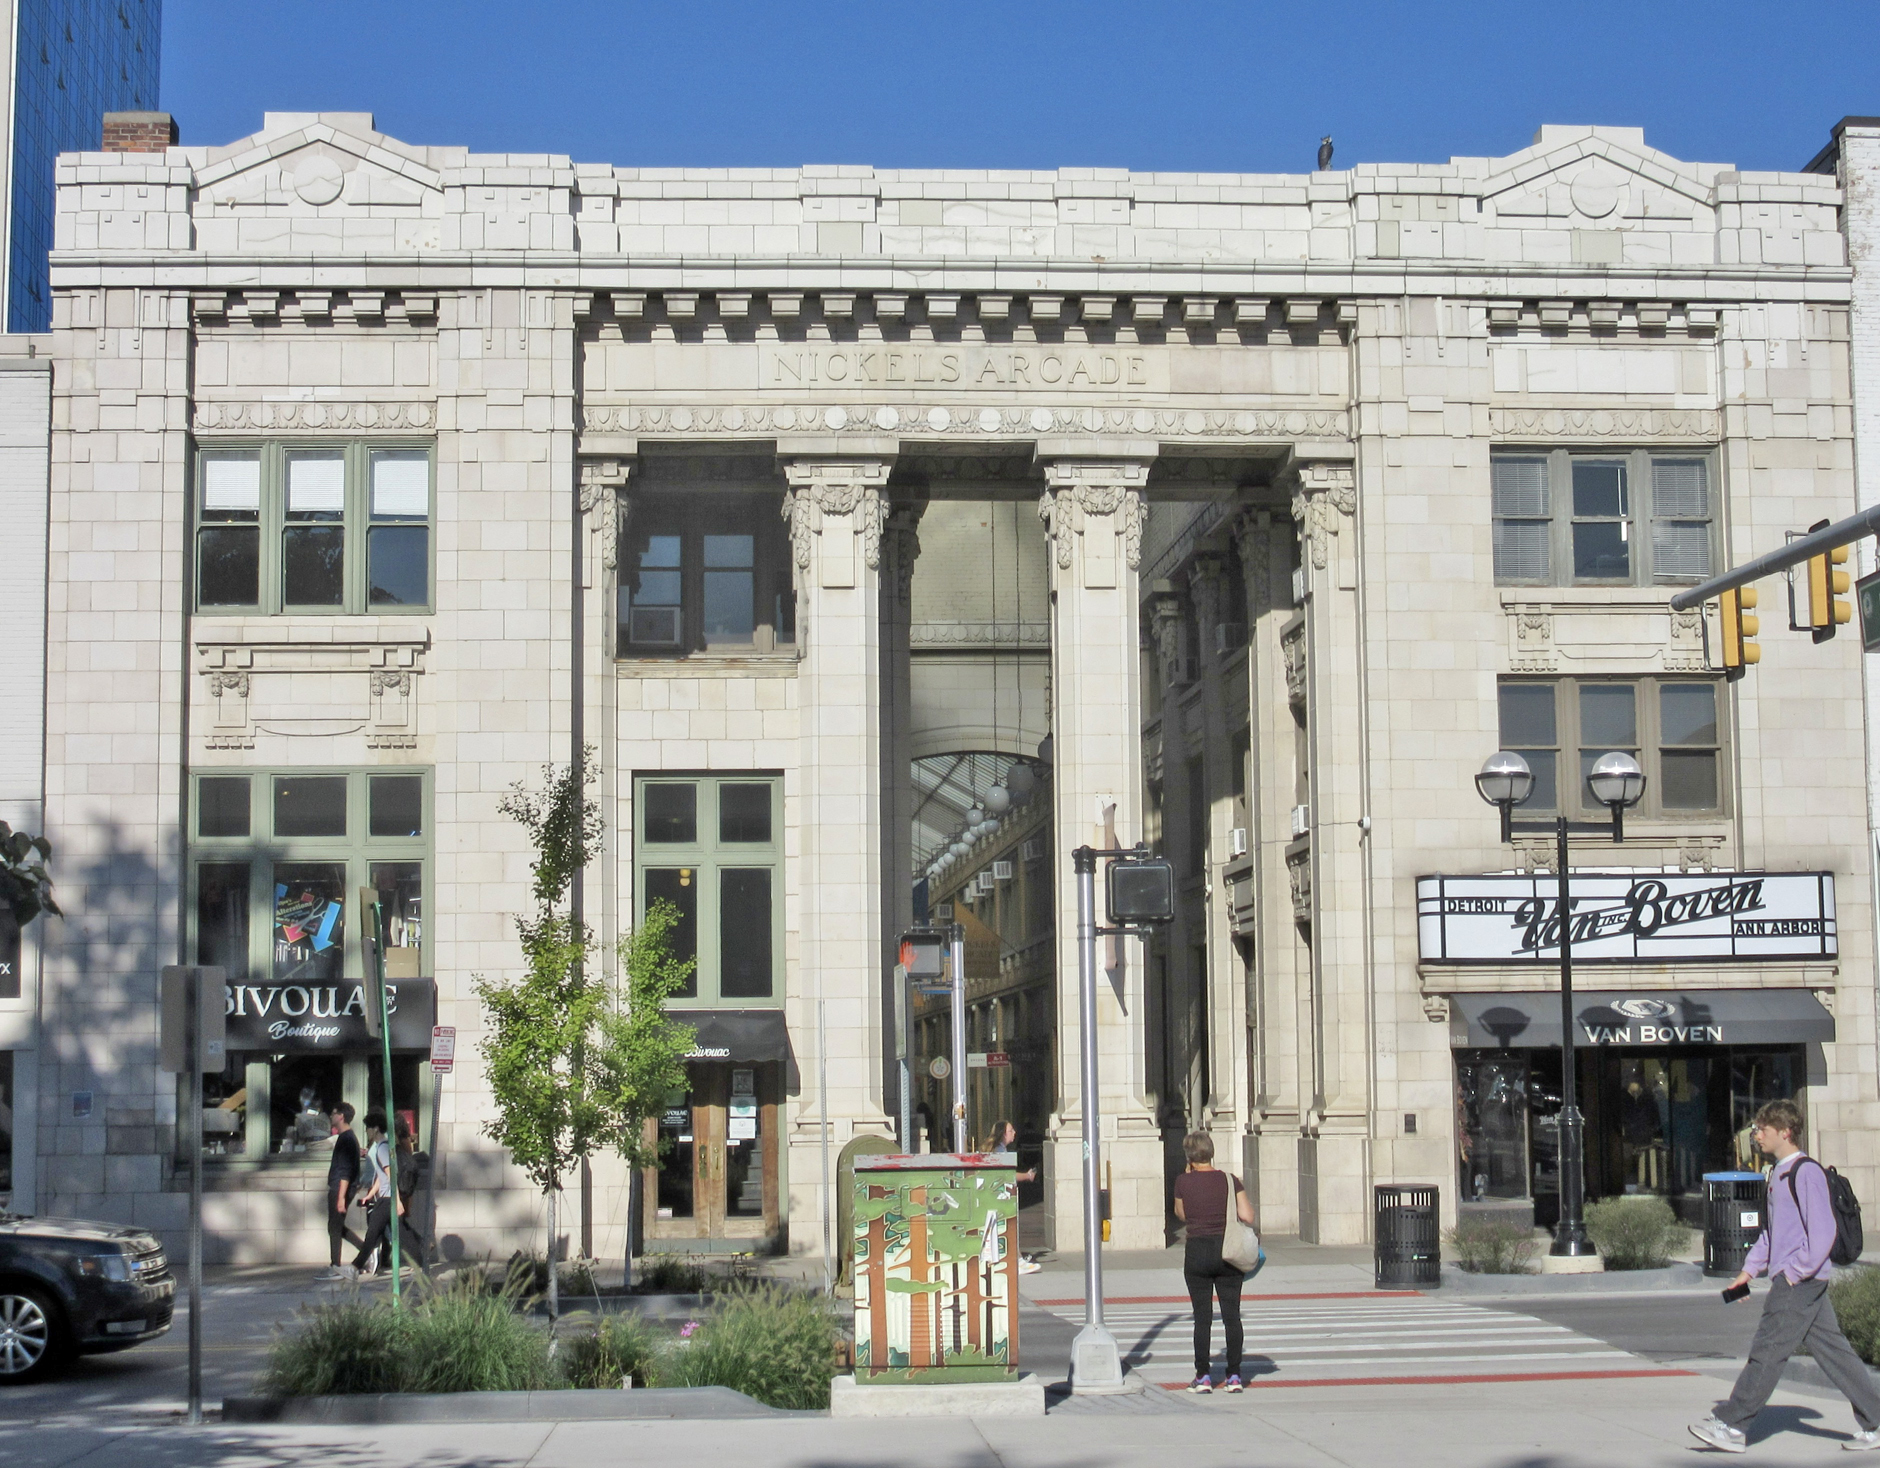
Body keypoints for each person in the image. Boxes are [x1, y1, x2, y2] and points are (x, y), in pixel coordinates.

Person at [1689, 1099, 1880, 1453]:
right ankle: (1877, 1420)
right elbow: (1771, 1233)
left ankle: (1732, 1426)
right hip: (1799, 1280)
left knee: (1767, 1351)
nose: (1755, 1135)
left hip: (1798, 1283)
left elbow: (1822, 1233)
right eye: (1756, 1129)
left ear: (1785, 1132)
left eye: (1762, 1129)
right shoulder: (1778, 1173)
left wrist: (1794, 1274)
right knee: (1836, 1354)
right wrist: (1746, 1272)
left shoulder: (1805, 1172)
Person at [1171, 1131, 1256, 1394]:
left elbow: (1181, 1214)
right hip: (1227, 1251)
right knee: (1232, 1316)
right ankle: (1234, 1376)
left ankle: (1203, 1376)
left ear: (1190, 1157)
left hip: (1197, 1251)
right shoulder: (1229, 1180)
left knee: (1202, 1318)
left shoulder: (1183, 1181)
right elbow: (1247, 1216)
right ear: (1211, 1153)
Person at [988, 1120, 1043, 1274]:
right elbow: (1007, 1174)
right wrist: (1027, 1176)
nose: (1014, 1133)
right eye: (1011, 1130)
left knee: (1007, 1229)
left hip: (998, 1196)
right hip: (1000, 1196)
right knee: (1009, 1227)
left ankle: (1015, 1259)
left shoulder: (999, 1150)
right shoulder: (999, 1151)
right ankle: (1016, 1261)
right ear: (1003, 1134)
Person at [318, 1102, 362, 1280]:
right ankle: (366, 1249)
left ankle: (335, 1266)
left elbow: (345, 1171)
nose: (331, 1116)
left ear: (341, 1116)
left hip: (340, 1188)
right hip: (339, 1188)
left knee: (334, 1228)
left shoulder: (346, 1139)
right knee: (334, 1226)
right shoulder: (347, 1138)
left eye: (334, 1112)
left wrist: (341, 1197)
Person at [351, 1112, 393, 1277]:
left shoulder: (380, 1148)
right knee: (389, 1232)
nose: (366, 1131)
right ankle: (360, 1264)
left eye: (368, 1127)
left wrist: (395, 1199)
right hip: (383, 1195)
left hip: (386, 1197)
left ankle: (357, 1265)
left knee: (375, 1232)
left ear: (375, 1129)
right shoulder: (383, 1145)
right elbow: (380, 1175)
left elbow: (389, 1174)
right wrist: (370, 1195)